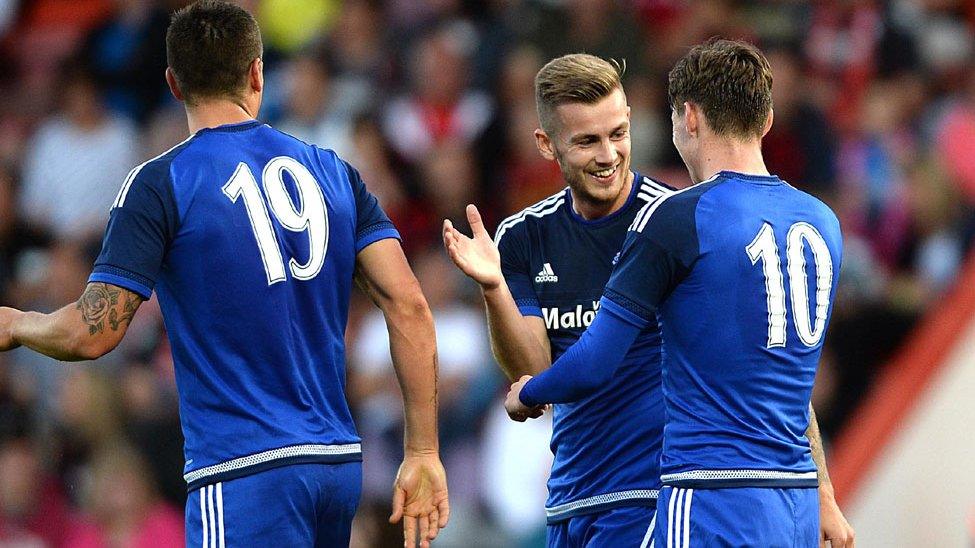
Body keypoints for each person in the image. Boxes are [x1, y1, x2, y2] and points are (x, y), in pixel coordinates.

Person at [0, 2, 448, 547]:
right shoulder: (334, 171)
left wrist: (18, 324)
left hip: (242, 470)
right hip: (334, 464)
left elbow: (92, 333)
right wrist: (423, 450)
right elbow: (410, 306)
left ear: (173, 83)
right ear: (257, 73)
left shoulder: (161, 183)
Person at [504, 39, 855, 547]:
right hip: (795, 500)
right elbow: (787, 388)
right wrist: (824, 492)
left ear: (688, 117)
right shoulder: (823, 221)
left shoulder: (680, 217)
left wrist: (528, 394)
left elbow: (599, 359)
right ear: (768, 118)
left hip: (712, 495)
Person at [445, 53, 670, 547]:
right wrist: (494, 288)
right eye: (587, 141)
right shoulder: (523, 237)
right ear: (547, 145)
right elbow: (532, 367)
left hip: (650, 497)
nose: (609, 155)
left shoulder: (669, 222)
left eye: (617, 133)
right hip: (570, 494)